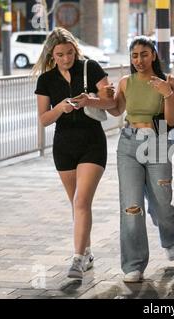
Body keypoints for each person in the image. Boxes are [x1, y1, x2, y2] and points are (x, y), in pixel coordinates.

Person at [33, 27, 113, 280]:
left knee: (81, 202)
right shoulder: (46, 80)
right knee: (77, 204)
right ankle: (86, 252)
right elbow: (44, 119)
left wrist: (89, 100)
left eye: (69, 53)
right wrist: (60, 108)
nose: (66, 59)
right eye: (60, 55)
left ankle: (77, 259)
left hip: (92, 142)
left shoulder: (91, 68)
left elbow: (111, 104)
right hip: (64, 145)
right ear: (52, 56)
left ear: (75, 51)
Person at [106, 36, 174, 283]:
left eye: (144, 54)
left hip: (157, 143)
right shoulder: (126, 82)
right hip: (128, 143)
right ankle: (133, 265)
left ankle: (169, 237)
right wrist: (101, 97)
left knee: (162, 204)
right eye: (134, 55)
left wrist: (168, 93)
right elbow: (116, 109)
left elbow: (170, 121)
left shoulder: (169, 81)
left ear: (154, 55)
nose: (139, 60)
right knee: (131, 206)